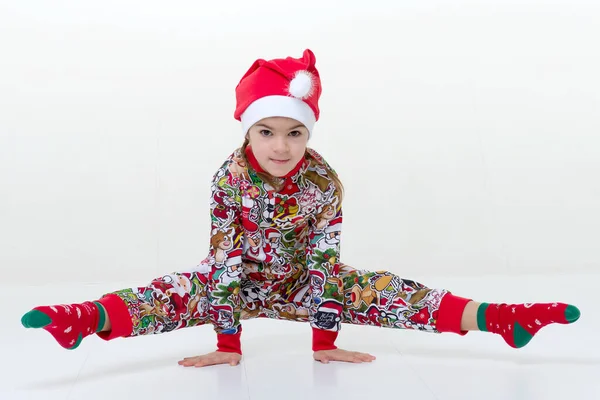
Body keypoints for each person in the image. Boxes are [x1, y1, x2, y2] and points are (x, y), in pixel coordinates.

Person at [21, 49, 581, 368]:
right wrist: (227, 343)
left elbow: (326, 261)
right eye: (267, 132)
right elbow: (223, 260)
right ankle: (85, 320)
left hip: (303, 286)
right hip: (236, 283)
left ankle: (503, 320)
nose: (281, 147)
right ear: (248, 131)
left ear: (308, 134)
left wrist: (324, 340)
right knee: (172, 289)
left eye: (294, 132)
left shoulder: (323, 182)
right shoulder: (229, 179)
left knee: (383, 287)